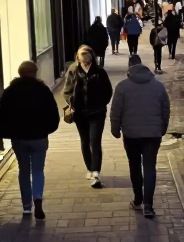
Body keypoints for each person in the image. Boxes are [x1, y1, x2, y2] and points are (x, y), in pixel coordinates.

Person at [110, 53, 170, 219]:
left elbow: (116, 112)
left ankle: (138, 199)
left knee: (134, 165)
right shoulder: (158, 87)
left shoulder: (122, 87)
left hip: (131, 135)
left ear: (129, 71)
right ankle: (149, 206)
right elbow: (165, 110)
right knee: (150, 167)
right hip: (153, 135)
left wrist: (115, 129)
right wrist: (162, 128)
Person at [0, 60, 61, 218]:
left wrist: (8, 132)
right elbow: (53, 112)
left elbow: (3, 115)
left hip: (19, 137)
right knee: (38, 170)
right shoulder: (42, 89)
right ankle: (38, 198)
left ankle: (26, 206)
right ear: (35, 72)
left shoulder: (10, 91)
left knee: (24, 170)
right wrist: (48, 129)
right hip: (39, 136)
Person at [63, 45, 113, 188]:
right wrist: (72, 104)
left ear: (92, 55)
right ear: (77, 57)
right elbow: (66, 91)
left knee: (95, 141)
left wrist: (101, 103)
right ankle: (90, 168)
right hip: (79, 113)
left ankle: (96, 173)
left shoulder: (99, 71)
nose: (85, 56)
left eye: (87, 53)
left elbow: (108, 90)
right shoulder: (73, 70)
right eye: (82, 54)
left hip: (97, 112)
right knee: (85, 141)